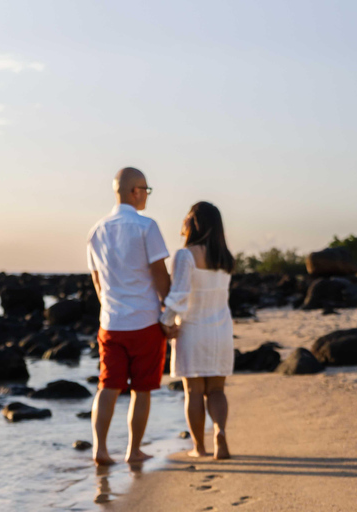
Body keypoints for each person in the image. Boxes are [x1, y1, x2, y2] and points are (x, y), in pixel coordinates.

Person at [86, 167, 172, 466]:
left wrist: (108, 306)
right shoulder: (146, 226)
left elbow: (97, 282)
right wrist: (169, 313)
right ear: (135, 191)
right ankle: (133, 450)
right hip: (146, 321)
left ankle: (100, 449)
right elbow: (160, 276)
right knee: (142, 390)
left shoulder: (97, 229)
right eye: (146, 189)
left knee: (107, 386)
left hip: (110, 322)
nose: (147, 194)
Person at [160, 202, 235, 460]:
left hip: (192, 329)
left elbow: (179, 294)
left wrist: (165, 321)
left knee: (193, 391)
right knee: (217, 390)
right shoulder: (225, 257)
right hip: (221, 330)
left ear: (194, 222)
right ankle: (220, 432)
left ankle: (199, 447)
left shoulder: (186, 255)